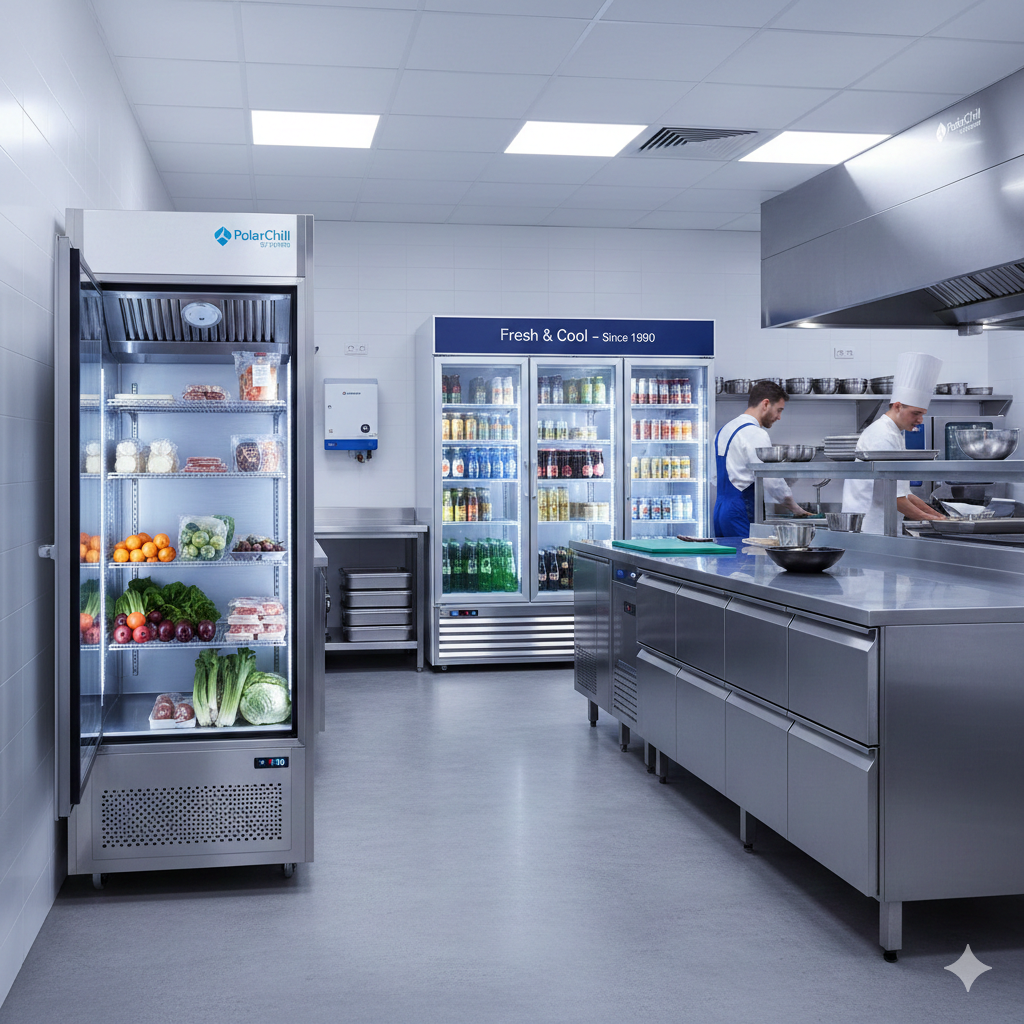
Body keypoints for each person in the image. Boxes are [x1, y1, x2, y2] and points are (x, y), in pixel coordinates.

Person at [842, 351, 948, 535]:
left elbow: (904, 494)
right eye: (916, 413)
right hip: (871, 529)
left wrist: (938, 516)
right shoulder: (882, 435)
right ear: (898, 406)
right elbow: (895, 498)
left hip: (883, 527)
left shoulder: (893, 433)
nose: (920, 420)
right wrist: (933, 520)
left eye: (922, 414)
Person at [713, 380, 809, 538]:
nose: (779, 417)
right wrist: (795, 508)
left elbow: (714, 477)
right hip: (741, 509)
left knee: (727, 561)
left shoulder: (723, 430)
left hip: (720, 509)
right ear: (765, 404)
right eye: (779, 410)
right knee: (747, 559)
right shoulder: (755, 433)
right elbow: (771, 479)